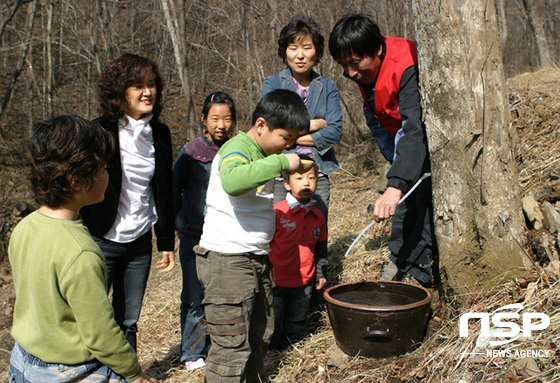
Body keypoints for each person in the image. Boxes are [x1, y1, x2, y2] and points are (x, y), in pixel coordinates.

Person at [8, 115, 156, 383]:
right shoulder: (81, 253)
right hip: (69, 371)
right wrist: (134, 373)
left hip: (21, 360)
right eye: (101, 169)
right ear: (76, 181)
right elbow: (101, 335)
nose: (107, 175)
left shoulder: (24, 228)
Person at [194, 89, 309, 382]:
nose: (287, 147)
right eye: (285, 138)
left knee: (259, 335)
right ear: (261, 126)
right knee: (231, 347)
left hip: (256, 260)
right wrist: (283, 162)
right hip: (226, 262)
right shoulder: (237, 149)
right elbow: (233, 181)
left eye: (294, 141)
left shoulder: (263, 153)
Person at [329, 14, 436, 286]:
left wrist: (396, 183)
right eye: (344, 65)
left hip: (424, 138)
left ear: (377, 50)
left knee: (417, 195)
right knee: (403, 198)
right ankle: (399, 257)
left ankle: (418, 272)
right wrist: (395, 165)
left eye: (355, 63)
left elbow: (416, 129)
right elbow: (376, 118)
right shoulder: (365, 73)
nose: (351, 73)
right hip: (401, 140)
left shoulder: (406, 63)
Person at [80, 54, 175, 350]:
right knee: (91, 320)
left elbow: (164, 190)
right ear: (120, 91)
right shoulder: (97, 132)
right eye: (137, 86)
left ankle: (125, 376)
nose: (147, 92)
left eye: (151, 84)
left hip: (139, 243)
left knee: (128, 323)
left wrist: (166, 241)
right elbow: (80, 185)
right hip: (101, 239)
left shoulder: (159, 132)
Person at [172, 91, 237, 371]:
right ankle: (192, 352)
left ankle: (218, 344)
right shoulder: (189, 153)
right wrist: (177, 226)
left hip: (226, 233)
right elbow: (174, 192)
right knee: (194, 293)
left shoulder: (238, 149)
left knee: (221, 292)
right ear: (204, 120)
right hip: (194, 234)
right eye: (215, 118)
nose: (221, 125)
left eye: (227, 118)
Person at [261, 15, 343, 222]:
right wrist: (314, 124)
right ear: (284, 51)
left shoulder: (327, 87)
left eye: (307, 47)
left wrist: (289, 136)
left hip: (317, 171)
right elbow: (270, 125)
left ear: (317, 51)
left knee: (317, 228)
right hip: (281, 171)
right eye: (293, 48)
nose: (300, 55)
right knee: (281, 230)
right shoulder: (273, 84)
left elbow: (334, 131)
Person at [267, 155, 327, 356]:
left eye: (311, 178)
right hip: (278, 279)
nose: (306, 183)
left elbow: (320, 247)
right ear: (286, 184)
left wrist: (320, 273)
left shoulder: (318, 216)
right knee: (274, 317)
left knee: (297, 316)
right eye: (299, 178)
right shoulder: (277, 212)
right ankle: (271, 349)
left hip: (304, 281)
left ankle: (288, 346)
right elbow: (264, 244)